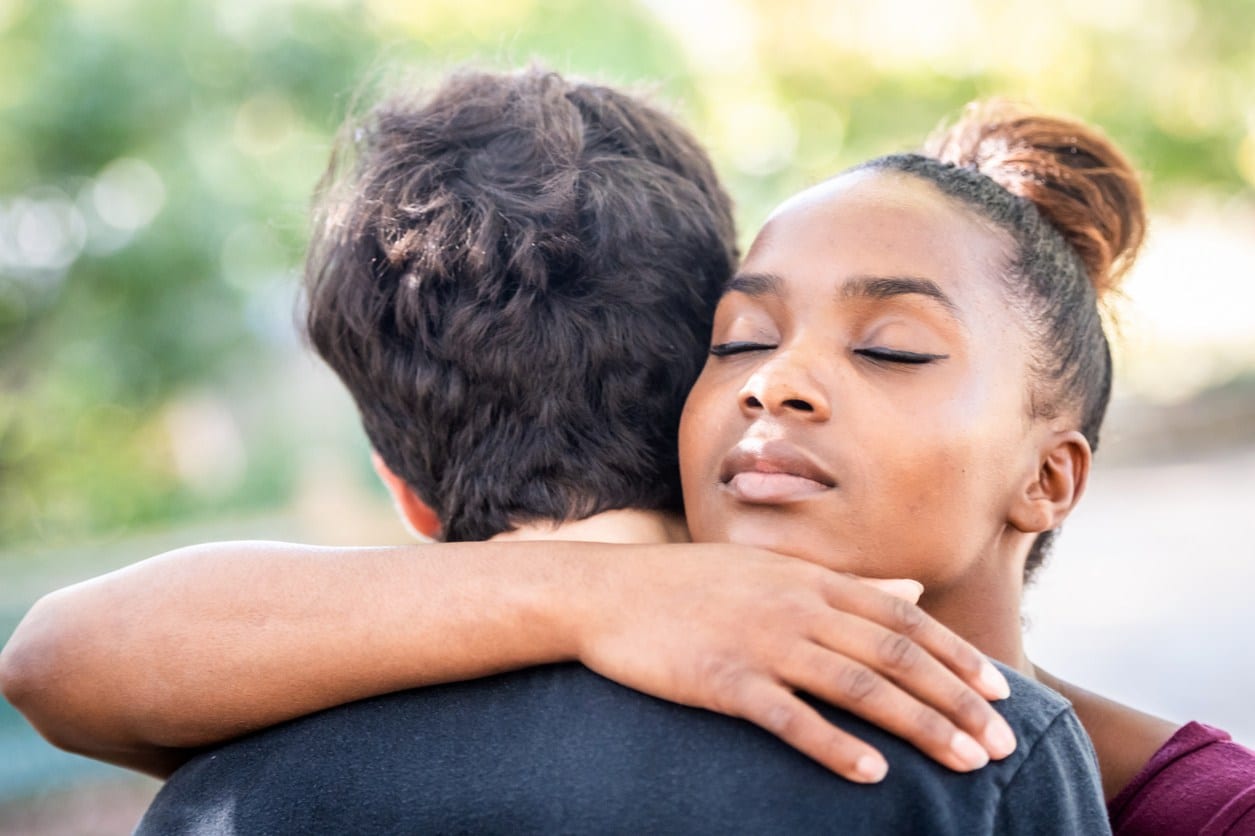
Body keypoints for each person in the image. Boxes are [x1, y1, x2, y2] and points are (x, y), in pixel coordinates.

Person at [0, 68, 1109, 834]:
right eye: (746, 341)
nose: (780, 377)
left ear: (407, 493)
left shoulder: (218, 773)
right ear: (689, 388)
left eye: (882, 349)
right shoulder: (969, 745)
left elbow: (49, 660)